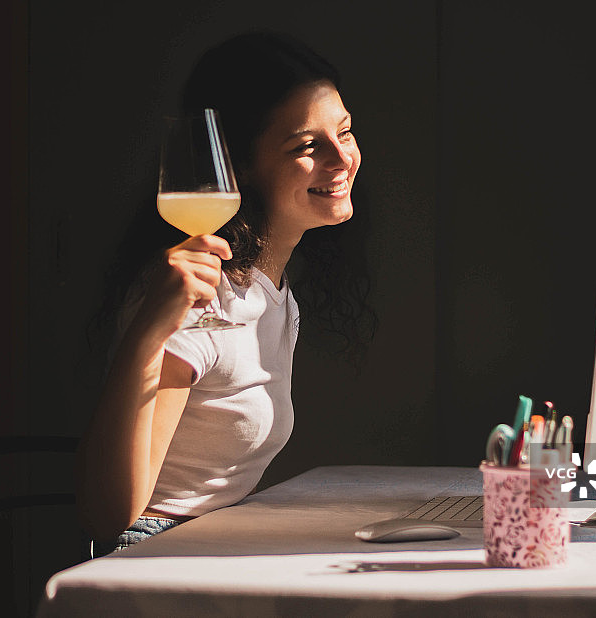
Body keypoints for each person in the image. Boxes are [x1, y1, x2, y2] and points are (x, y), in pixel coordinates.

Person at [76, 31, 373, 555]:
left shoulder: (272, 293)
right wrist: (150, 329)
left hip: (215, 536)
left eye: (344, 132)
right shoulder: (203, 298)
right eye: (307, 146)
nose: (341, 157)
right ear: (239, 167)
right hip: (155, 551)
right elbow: (108, 518)